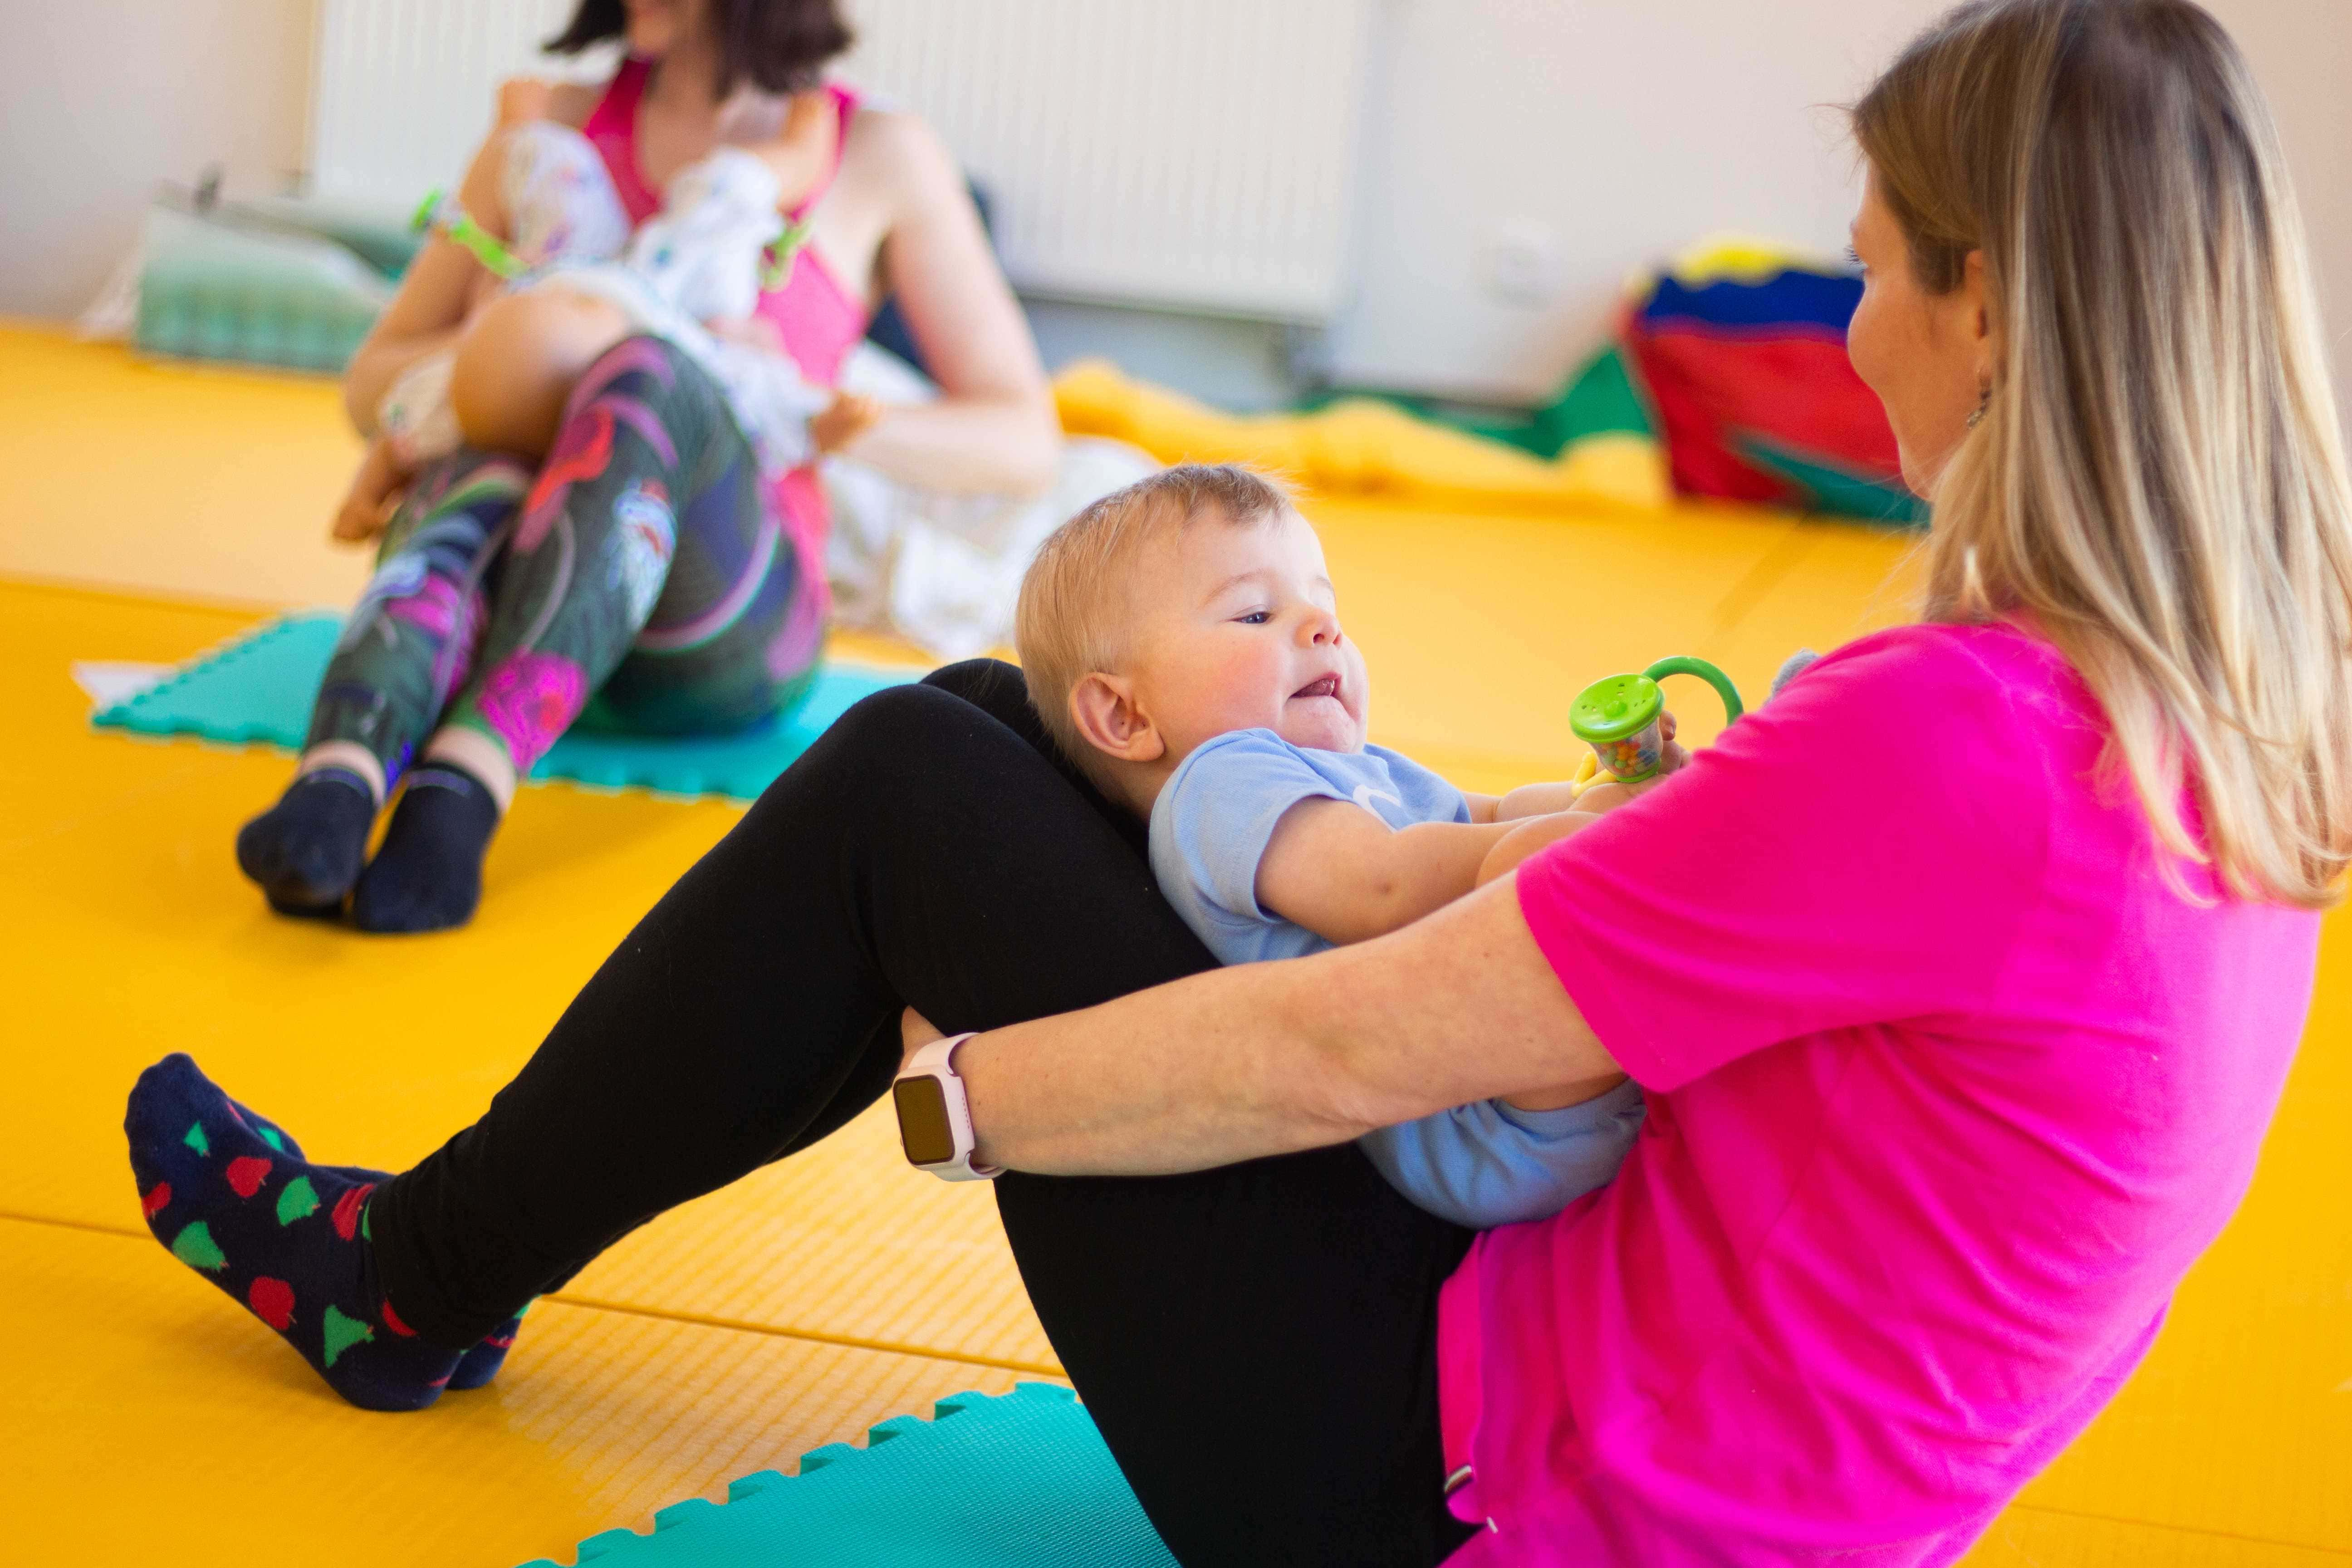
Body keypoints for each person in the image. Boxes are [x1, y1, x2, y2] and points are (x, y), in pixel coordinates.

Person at [123, 0, 2350, 1562]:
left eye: (1872, 271)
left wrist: (953, 1090)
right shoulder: (2218, 735)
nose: (1854, 331)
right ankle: (445, 1251)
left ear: (1988, 305)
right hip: (1667, 1459)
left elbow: (1338, 1038)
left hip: (1462, 1495)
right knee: (1025, 716)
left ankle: (402, 1268)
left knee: (911, 772)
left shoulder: (1948, 729)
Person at [235, 0, 1060, 934]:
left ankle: (462, 785)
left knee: (649, 376)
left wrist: (782, 400)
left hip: (716, 640)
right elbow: (368, 386)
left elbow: (1023, 440)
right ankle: (338, 783)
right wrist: (512, 341)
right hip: (500, 596)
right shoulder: (545, 133)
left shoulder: (875, 152)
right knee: (511, 443)